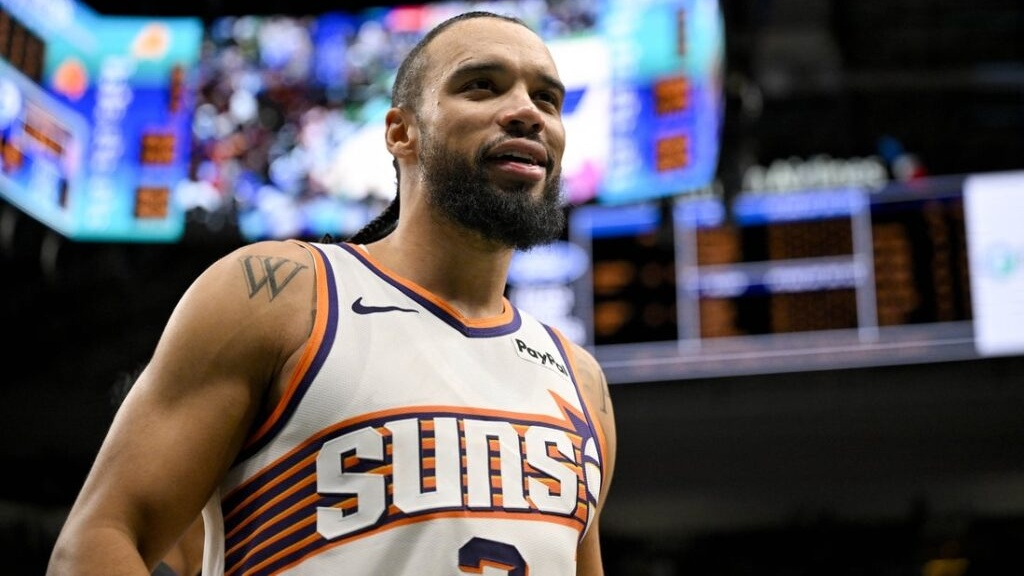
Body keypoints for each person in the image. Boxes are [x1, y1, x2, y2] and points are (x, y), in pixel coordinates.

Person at [47, 10, 616, 575]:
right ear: (401, 132)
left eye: (547, 99)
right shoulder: (280, 296)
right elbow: (97, 541)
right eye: (482, 86)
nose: (527, 112)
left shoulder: (581, 380)